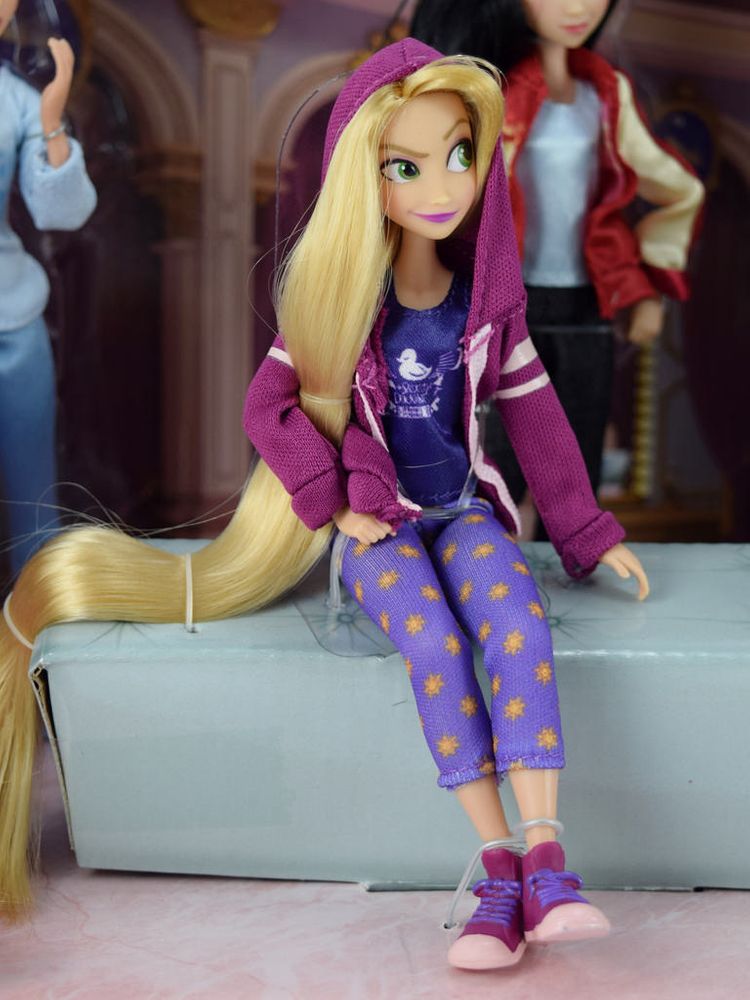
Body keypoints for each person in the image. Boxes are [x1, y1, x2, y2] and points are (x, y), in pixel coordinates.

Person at [0, 39, 647, 971]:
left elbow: (535, 411)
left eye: (459, 155)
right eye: (405, 165)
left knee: (517, 620)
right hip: (376, 524)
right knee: (433, 645)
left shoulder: (484, 308)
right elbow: (266, 408)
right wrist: (331, 499)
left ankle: (548, 860)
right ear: (363, 177)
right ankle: (496, 869)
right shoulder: (339, 307)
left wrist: (584, 529)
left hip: (460, 509)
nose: (441, 184)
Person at [411, 0, 704, 518]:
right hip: (506, 299)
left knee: (578, 450)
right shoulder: (489, 90)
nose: (578, 8)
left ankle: (577, 550)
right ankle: (484, 553)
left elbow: (676, 188)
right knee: (496, 455)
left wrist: (647, 284)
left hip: (586, 302)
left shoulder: (607, 91)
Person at [0, 0, 96, 574]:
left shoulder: (16, 98)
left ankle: (36, 612)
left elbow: (59, 211)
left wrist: (52, 115)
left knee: (33, 494)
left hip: (13, 315)